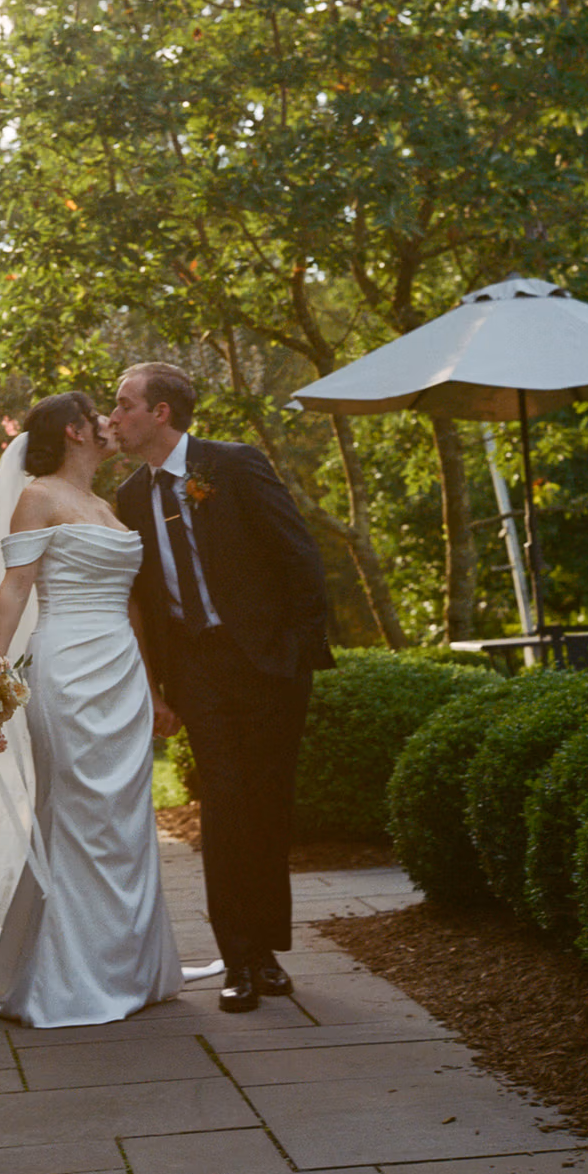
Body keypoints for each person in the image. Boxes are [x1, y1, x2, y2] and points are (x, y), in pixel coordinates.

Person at [0, 391, 181, 1028]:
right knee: (75, 811)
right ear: (75, 431)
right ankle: (64, 979)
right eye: (101, 415)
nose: (111, 421)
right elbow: (14, 587)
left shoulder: (108, 505)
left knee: (126, 819)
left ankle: (128, 967)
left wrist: (153, 688)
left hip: (122, 672)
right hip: (67, 668)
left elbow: (131, 604)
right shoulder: (39, 496)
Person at [109, 361, 334, 1014]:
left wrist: (294, 654)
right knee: (225, 807)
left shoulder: (233, 465)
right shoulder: (128, 498)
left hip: (268, 667)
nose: (113, 417)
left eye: (124, 405)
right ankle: (239, 958)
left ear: (161, 414)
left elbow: (301, 558)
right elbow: (143, 604)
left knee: (267, 806)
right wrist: (157, 684)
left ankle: (267, 949)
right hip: (197, 672)